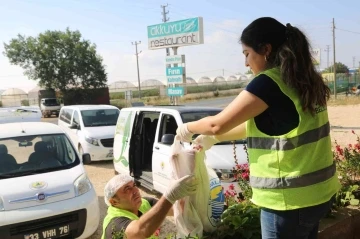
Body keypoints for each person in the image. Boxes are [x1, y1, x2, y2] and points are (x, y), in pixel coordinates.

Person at [176, 17, 341, 239]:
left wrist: (188, 128)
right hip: (318, 194)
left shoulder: (268, 82)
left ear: (266, 50)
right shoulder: (302, 78)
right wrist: (215, 139)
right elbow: (260, 126)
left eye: (246, 54)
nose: (245, 63)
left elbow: (217, 123)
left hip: (287, 202)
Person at [101, 174, 197, 239]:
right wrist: (169, 196)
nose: (135, 191)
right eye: (127, 189)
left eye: (134, 185)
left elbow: (176, 209)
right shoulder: (114, 223)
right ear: (114, 201)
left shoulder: (144, 203)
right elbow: (140, 231)